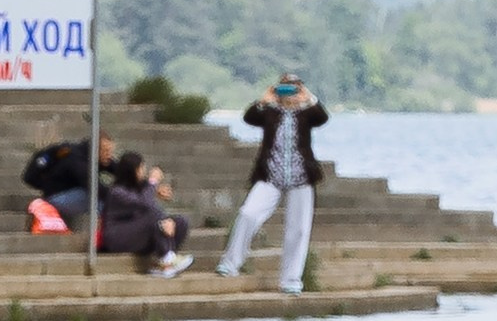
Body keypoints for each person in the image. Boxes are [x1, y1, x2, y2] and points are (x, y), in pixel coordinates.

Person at [217, 74, 327, 294]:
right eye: (285, 89)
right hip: (270, 177)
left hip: (301, 178)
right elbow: (249, 117)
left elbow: (322, 117)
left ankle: (291, 279)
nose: (289, 94)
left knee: (299, 229)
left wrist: (308, 98)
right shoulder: (270, 112)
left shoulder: (307, 113)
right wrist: (264, 100)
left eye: (294, 89)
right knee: (248, 213)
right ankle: (231, 262)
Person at [98, 152, 193, 278]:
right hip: (118, 237)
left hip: (139, 234)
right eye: (141, 168)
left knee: (181, 222)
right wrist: (153, 182)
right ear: (132, 171)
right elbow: (145, 204)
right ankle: (166, 259)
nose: (143, 172)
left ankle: (167, 260)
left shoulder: (141, 188)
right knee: (154, 217)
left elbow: (151, 206)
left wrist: (166, 220)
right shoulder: (117, 192)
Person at [21, 128, 111, 223]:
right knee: (96, 197)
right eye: (106, 151)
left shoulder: (91, 156)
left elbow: (116, 167)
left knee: (104, 197)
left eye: (109, 151)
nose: (109, 155)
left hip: (70, 194)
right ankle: (111, 226)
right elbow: (92, 185)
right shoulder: (76, 159)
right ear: (95, 150)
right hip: (56, 197)